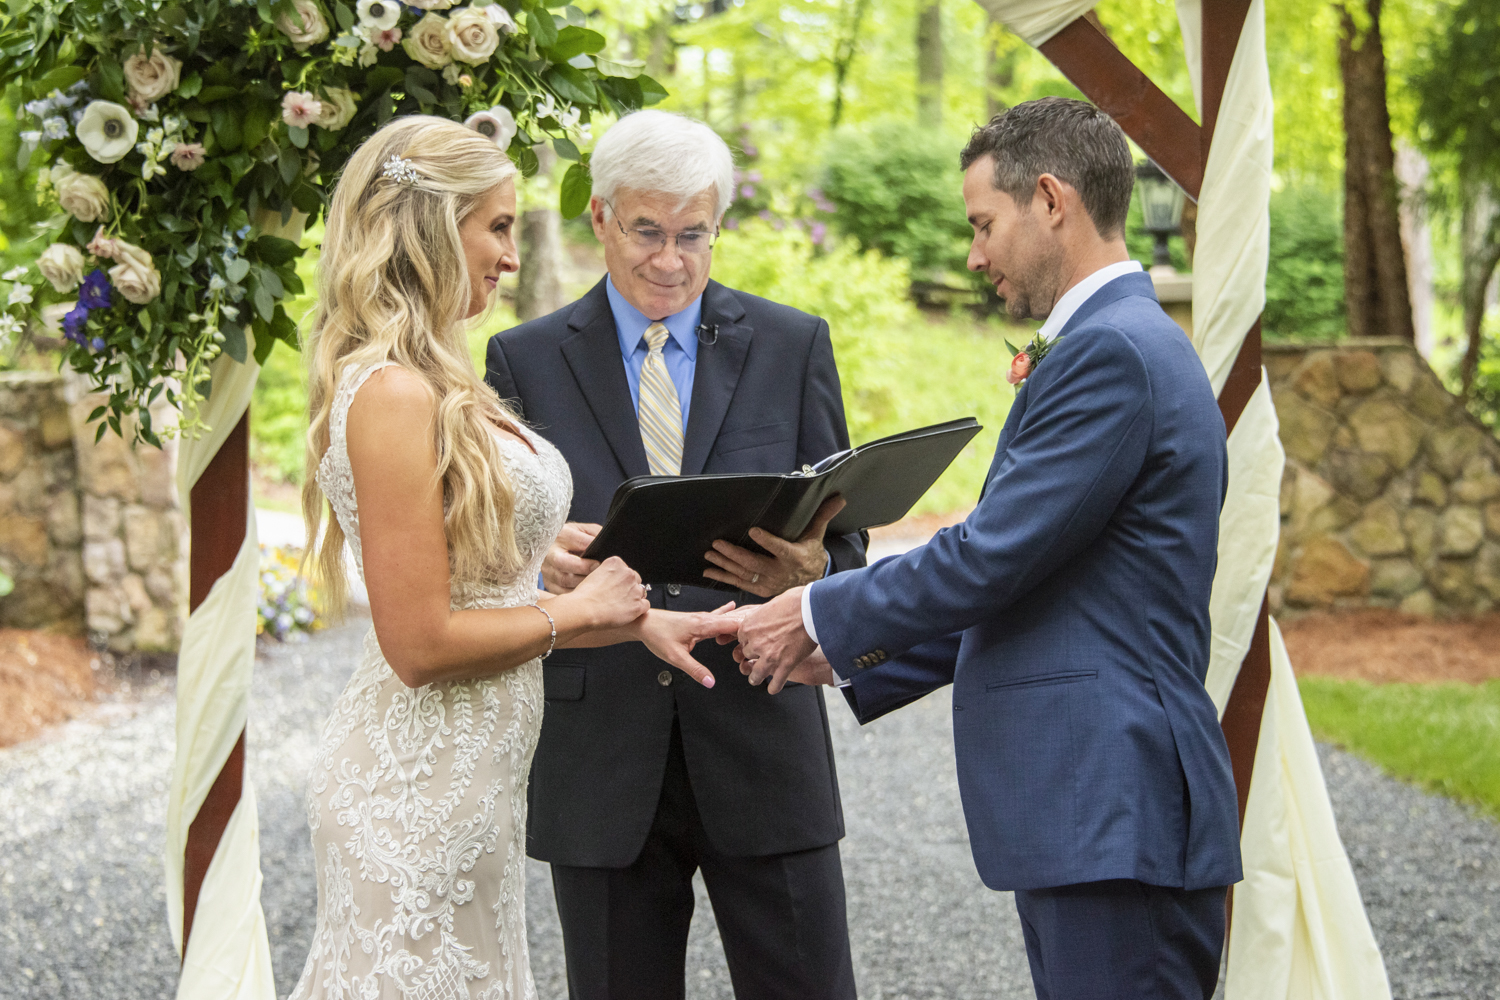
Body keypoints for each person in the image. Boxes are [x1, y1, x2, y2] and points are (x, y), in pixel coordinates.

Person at [733, 97, 1244, 1000]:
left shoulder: (1112, 353)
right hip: (1092, 810)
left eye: (983, 225)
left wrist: (819, 607)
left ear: (1050, 198)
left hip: (1114, 800)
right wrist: (852, 656)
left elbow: (990, 554)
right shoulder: (1112, 341)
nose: (974, 256)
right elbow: (1046, 577)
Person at [289, 115, 738, 1000]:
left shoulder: (442, 379)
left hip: (477, 786)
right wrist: (578, 609)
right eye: (495, 226)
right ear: (428, 228)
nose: (508, 254)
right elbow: (420, 645)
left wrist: (632, 617)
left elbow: (484, 594)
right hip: (412, 783)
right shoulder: (390, 393)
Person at [484, 110, 864, 1000]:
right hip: (601, 753)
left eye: (693, 234)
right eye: (648, 232)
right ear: (602, 220)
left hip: (764, 737)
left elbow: (845, 539)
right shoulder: (523, 361)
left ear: (718, 225)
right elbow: (495, 552)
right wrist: (542, 567)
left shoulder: (793, 343)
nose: (670, 260)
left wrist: (812, 570)